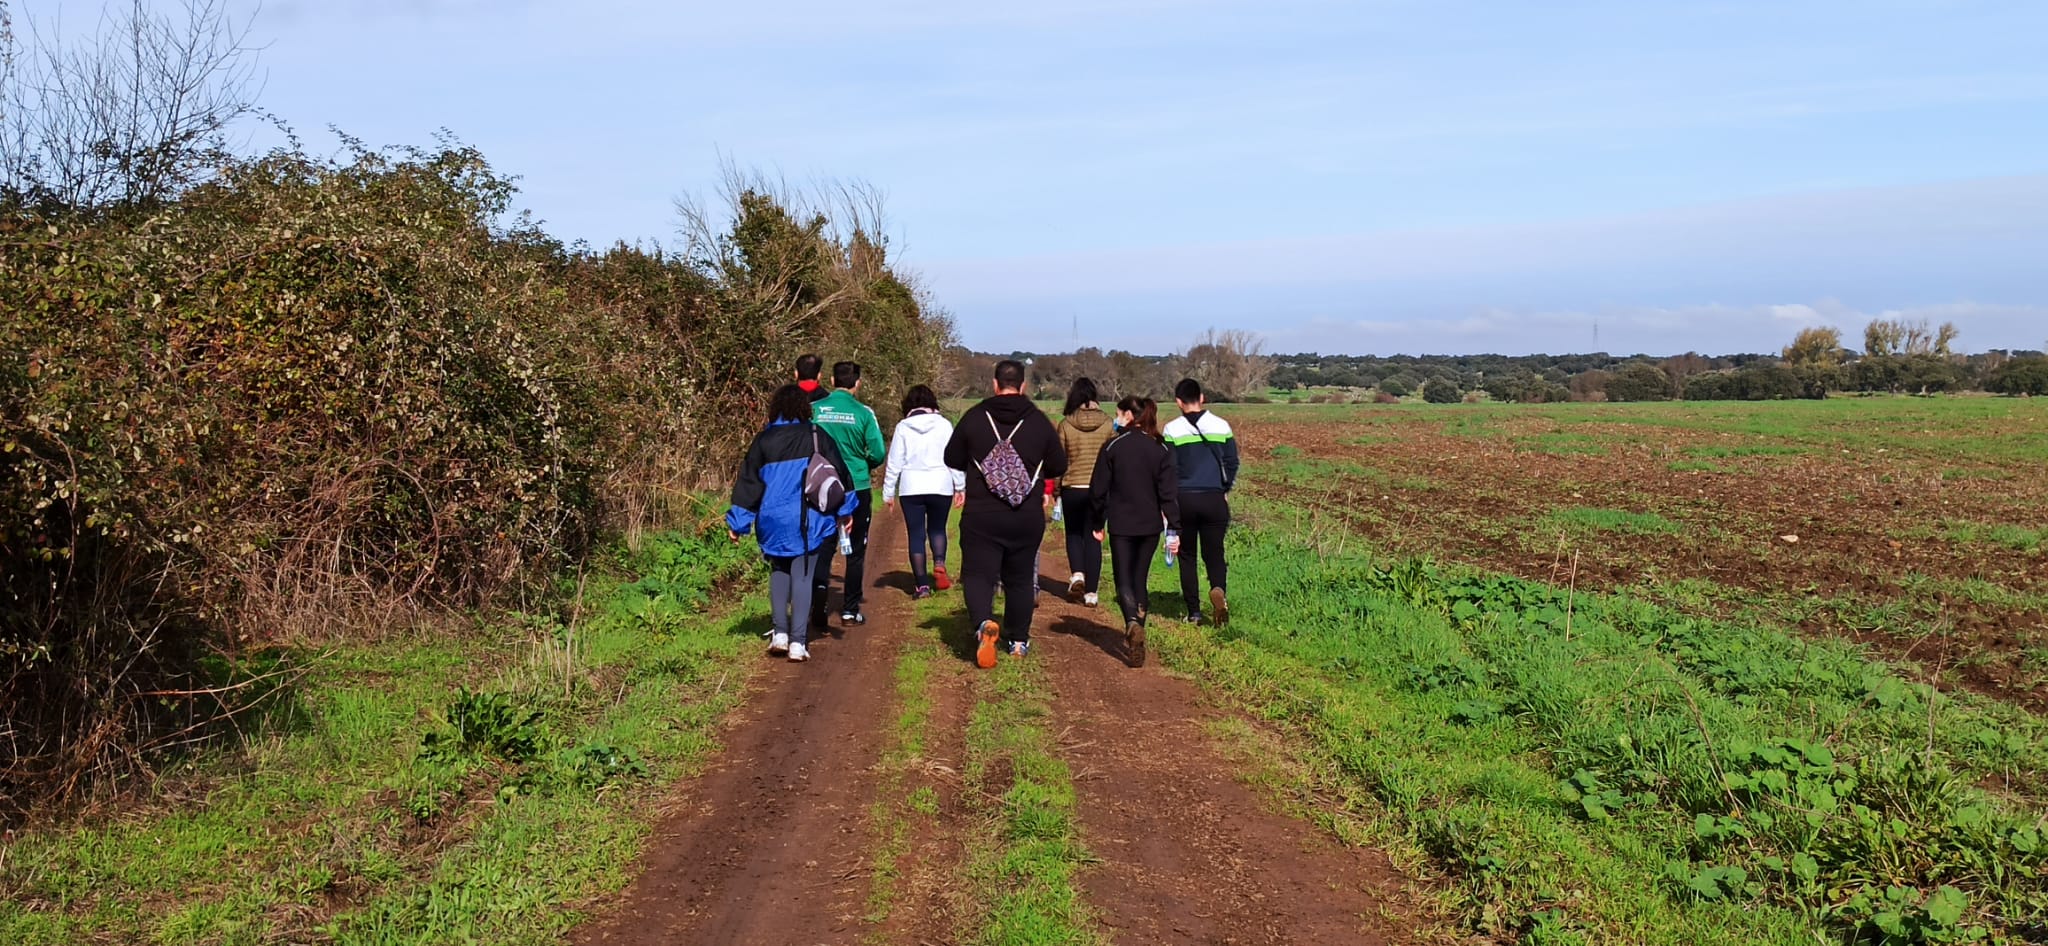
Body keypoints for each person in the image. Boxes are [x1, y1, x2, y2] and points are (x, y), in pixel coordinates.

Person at [943, 359, 1067, 667]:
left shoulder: (974, 418)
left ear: (994, 385)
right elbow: (1059, 465)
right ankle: (1018, 642)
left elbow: (952, 457)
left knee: (977, 574)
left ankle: (984, 624)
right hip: (1025, 516)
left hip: (982, 514)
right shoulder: (1038, 422)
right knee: (1021, 578)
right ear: (1023, 386)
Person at [726, 384, 857, 662]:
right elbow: (840, 476)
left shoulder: (763, 441)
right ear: (804, 408)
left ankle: (780, 633)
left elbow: (749, 484)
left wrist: (738, 523)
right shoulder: (816, 435)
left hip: (771, 520)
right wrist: (846, 511)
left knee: (778, 571)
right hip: (807, 519)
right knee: (804, 576)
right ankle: (798, 642)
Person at [1090, 396, 1179, 667]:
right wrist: (1174, 527)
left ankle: (1131, 621)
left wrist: (1097, 522)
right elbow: (1168, 494)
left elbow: (1098, 490)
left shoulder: (1113, 446)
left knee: (1123, 578)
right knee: (1140, 578)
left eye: (1118, 413)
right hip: (1150, 525)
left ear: (1129, 415)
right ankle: (1139, 622)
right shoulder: (1161, 449)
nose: (1116, 417)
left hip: (1122, 523)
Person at [812, 361, 888, 626]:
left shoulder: (814, 410)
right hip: (855, 486)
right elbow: (878, 453)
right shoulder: (864, 413)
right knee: (855, 550)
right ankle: (850, 608)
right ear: (858, 383)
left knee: (822, 544)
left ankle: (817, 601)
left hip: (820, 485)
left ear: (831, 381)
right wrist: (863, 462)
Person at [1163, 378, 1239, 626]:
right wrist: (1224, 487)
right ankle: (1218, 591)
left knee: (1187, 555)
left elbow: (1169, 469)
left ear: (1178, 402)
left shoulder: (1172, 429)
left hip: (1184, 498)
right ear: (1202, 397)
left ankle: (1194, 612)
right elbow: (1232, 462)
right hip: (1214, 498)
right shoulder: (1222, 425)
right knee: (1215, 553)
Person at [882, 384, 963, 599]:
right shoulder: (944, 425)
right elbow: (954, 458)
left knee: (916, 535)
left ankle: (922, 587)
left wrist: (888, 491)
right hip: (940, 484)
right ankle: (939, 562)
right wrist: (960, 486)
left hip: (912, 487)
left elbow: (895, 461)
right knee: (937, 529)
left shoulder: (903, 427)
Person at [1055, 378, 1115, 606]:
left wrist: (1057, 489)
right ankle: (1091, 593)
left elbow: (1060, 460)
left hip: (1073, 486)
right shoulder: (1109, 424)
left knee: (1073, 533)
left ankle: (1077, 574)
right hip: (1099, 489)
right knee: (1094, 536)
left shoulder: (1065, 424)